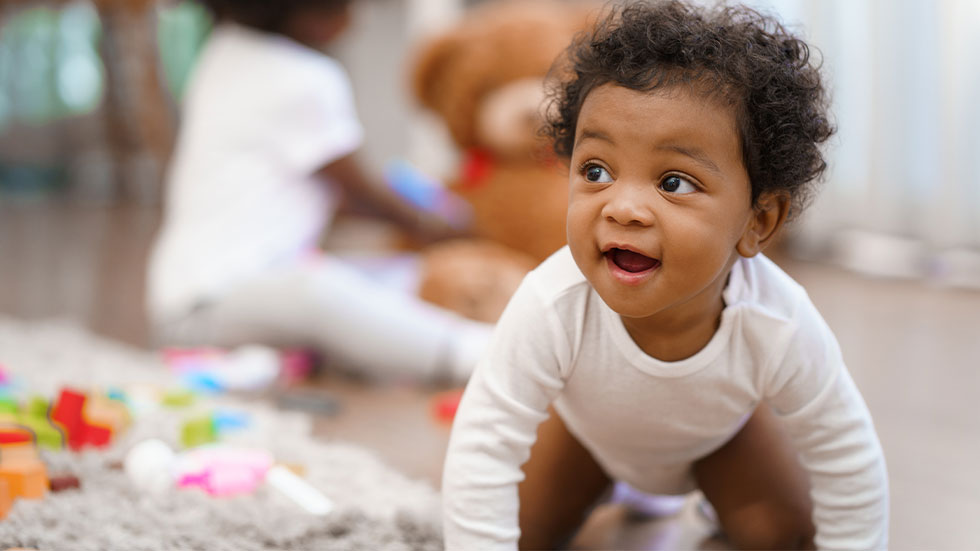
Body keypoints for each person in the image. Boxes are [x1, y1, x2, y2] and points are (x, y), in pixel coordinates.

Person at [442, 1, 889, 549]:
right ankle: (618, 494)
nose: (622, 208)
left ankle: (700, 509)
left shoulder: (779, 320)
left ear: (758, 220)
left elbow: (846, 454)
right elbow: (484, 442)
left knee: (783, 535)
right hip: (587, 439)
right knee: (520, 532)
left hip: (721, 442)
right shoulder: (551, 302)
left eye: (673, 182)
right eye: (596, 171)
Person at [147, 0, 492, 383]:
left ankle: (376, 347)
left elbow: (331, 196)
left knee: (391, 278)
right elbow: (360, 195)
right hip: (212, 305)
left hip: (187, 297)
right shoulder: (304, 77)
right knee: (320, 290)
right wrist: (438, 224)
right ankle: (476, 353)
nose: (355, 17)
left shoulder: (223, 50)